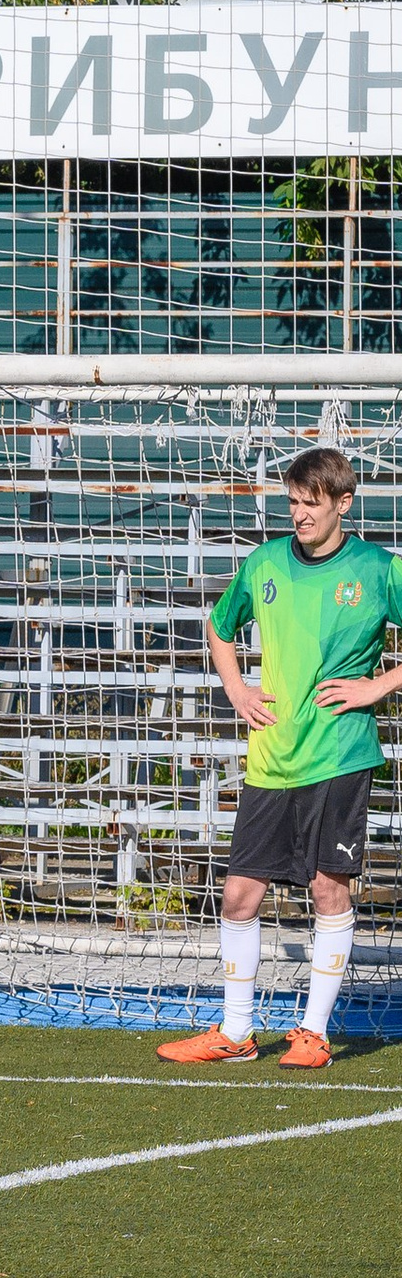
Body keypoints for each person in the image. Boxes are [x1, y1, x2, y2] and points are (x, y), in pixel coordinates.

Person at [158, 445, 402, 1070]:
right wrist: (236, 688)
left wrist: (379, 686)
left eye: (310, 504)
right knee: (239, 895)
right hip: (271, 759)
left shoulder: (378, 569)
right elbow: (219, 627)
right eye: (292, 502)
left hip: (340, 756)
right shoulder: (263, 562)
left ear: (344, 503)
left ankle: (313, 1033)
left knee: (327, 887)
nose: (297, 514)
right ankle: (236, 1033)